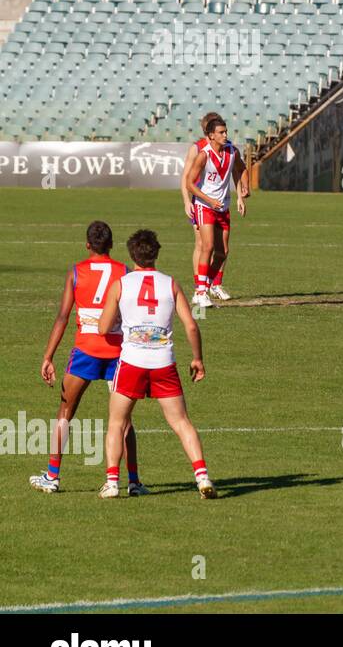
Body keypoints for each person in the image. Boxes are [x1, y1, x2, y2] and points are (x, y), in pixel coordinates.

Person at [96, 229, 215, 500]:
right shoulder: (170, 284)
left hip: (132, 362)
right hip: (164, 362)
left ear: (132, 255)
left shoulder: (121, 284)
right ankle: (202, 476)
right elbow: (191, 326)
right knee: (182, 422)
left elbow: (103, 327)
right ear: (156, 253)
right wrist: (197, 359)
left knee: (116, 422)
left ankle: (112, 482)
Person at [31, 221, 144, 495]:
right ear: (111, 245)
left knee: (65, 413)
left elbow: (62, 317)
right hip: (118, 353)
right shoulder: (123, 271)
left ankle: (52, 476)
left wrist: (48, 356)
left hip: (85, 351)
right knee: (124, 419)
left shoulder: (76, 272)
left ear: (87, 245)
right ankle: (133, 482)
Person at [181, 115, 248, 308]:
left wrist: (242, 194)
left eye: (225, 131)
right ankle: (201, 292)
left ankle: (204, 286)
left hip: (223, 207)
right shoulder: (204, 155)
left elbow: (241, 169)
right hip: (205, 206)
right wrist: (208, 200)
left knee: (223, 252)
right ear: (211, 136)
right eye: (221, 132)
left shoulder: (231, 151)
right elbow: (189, 183)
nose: (225, 134)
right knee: (207, 246)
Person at [183, 113, 229, 298]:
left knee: (220, 247)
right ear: (208, 132)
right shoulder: (198, 149)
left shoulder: (228, 148)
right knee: (203, 244)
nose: (224, 134)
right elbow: (186, 177)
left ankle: (214, 284)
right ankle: (199, 287)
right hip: (201, 201)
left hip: (220, 202)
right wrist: (187, 201)